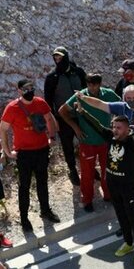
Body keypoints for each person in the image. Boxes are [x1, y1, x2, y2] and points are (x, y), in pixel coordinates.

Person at [80, 85, 134, 238]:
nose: (132, 101)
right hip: (125, 162)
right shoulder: (120, 107)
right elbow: (100, 104)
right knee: (127, 196)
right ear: (124, 98)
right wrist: (83, 97)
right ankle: (128, 224)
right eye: (129, 98)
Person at [75, 104, 134, 265]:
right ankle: (128, 243)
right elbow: (97, 125)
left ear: (128, 129)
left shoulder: (132, 143)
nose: (115, 130)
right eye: (114, 127)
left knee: (133, 217)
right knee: (121, 215)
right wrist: (83, 112)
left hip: (128, 187)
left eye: (119, 128)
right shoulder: (110, 137)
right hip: (113, 185)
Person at [0, 79, 61, 231]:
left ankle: (45, 211)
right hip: (24, 154)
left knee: (42, 182)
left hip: (41, 150)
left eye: (31, 88)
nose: (29, 91)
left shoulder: (40, 102)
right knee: (24, 186)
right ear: (19, 91)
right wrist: (7, 151)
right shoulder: (12, 108)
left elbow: (49, 118)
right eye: (26, 89)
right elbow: (3, 129)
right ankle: (24, 218)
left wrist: (51, 137)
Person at [60, 73, 121, 211]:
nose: (92, 88)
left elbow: (121, 108)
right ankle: (87, 200)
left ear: (100, 84)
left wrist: (116, 125)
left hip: (105, 140)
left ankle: (108, 194)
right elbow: (62, 111)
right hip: (87, 141)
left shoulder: (108, 94)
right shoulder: (80, 96)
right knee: (87, 173)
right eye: (89, 85)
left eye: (95, 85)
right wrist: (75, 127)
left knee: (109, 170)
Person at [44, 46, 86, 186]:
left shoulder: (78, 72)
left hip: (81, 115)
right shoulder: (52, 77)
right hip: (63, 118)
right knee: (67, 145)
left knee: (85, 142)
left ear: (66, 57)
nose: (58, 60)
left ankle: (87, 167)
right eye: (55, 58)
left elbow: (86, 92)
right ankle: (72, 170)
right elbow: (48, 101)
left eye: (60, 58)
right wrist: (53, 120)